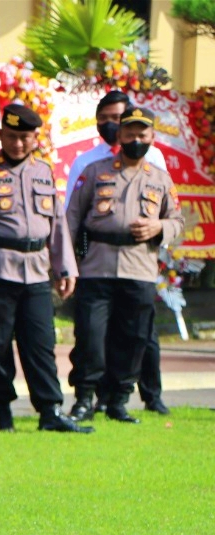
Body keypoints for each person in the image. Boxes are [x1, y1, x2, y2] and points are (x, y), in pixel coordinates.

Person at [0, 103, 90, 433]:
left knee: (40, 344)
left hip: (36, 272)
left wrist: (66, 268)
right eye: (11, 137)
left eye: (24, 137)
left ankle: (50, 412)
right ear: (0, 135)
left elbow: (56, 226)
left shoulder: (44, 172)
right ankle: (1, 411)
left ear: (35, 138)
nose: (17, 144)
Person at [65, 106, 185, 423]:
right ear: (119, 135)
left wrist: (159, 227)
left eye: (141, 134)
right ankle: (83, 399)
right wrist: (67, 265)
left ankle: (119, 401)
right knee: (90, 337)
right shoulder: (94, 171)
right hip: (96, 267)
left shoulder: (160, 179)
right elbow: (72, 218)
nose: (135, 139)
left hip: (140, 269)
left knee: (133, 339)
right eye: (129, 133)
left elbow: (178, 222)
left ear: (152, 138)